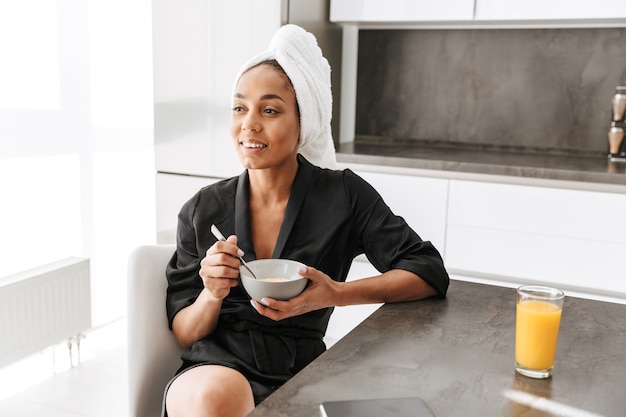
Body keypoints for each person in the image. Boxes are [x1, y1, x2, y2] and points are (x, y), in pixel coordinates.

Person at [163, 24, 449, 417]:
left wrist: (336, 294)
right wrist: (211, 293)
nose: (249, 123)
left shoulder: (343, 195)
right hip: (214, 368)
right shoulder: (202, 209)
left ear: (304, 121)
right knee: (218, 396)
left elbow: (428, 271)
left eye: (270, 109)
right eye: (239, 107)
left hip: (305, 371)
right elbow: (184, 333)